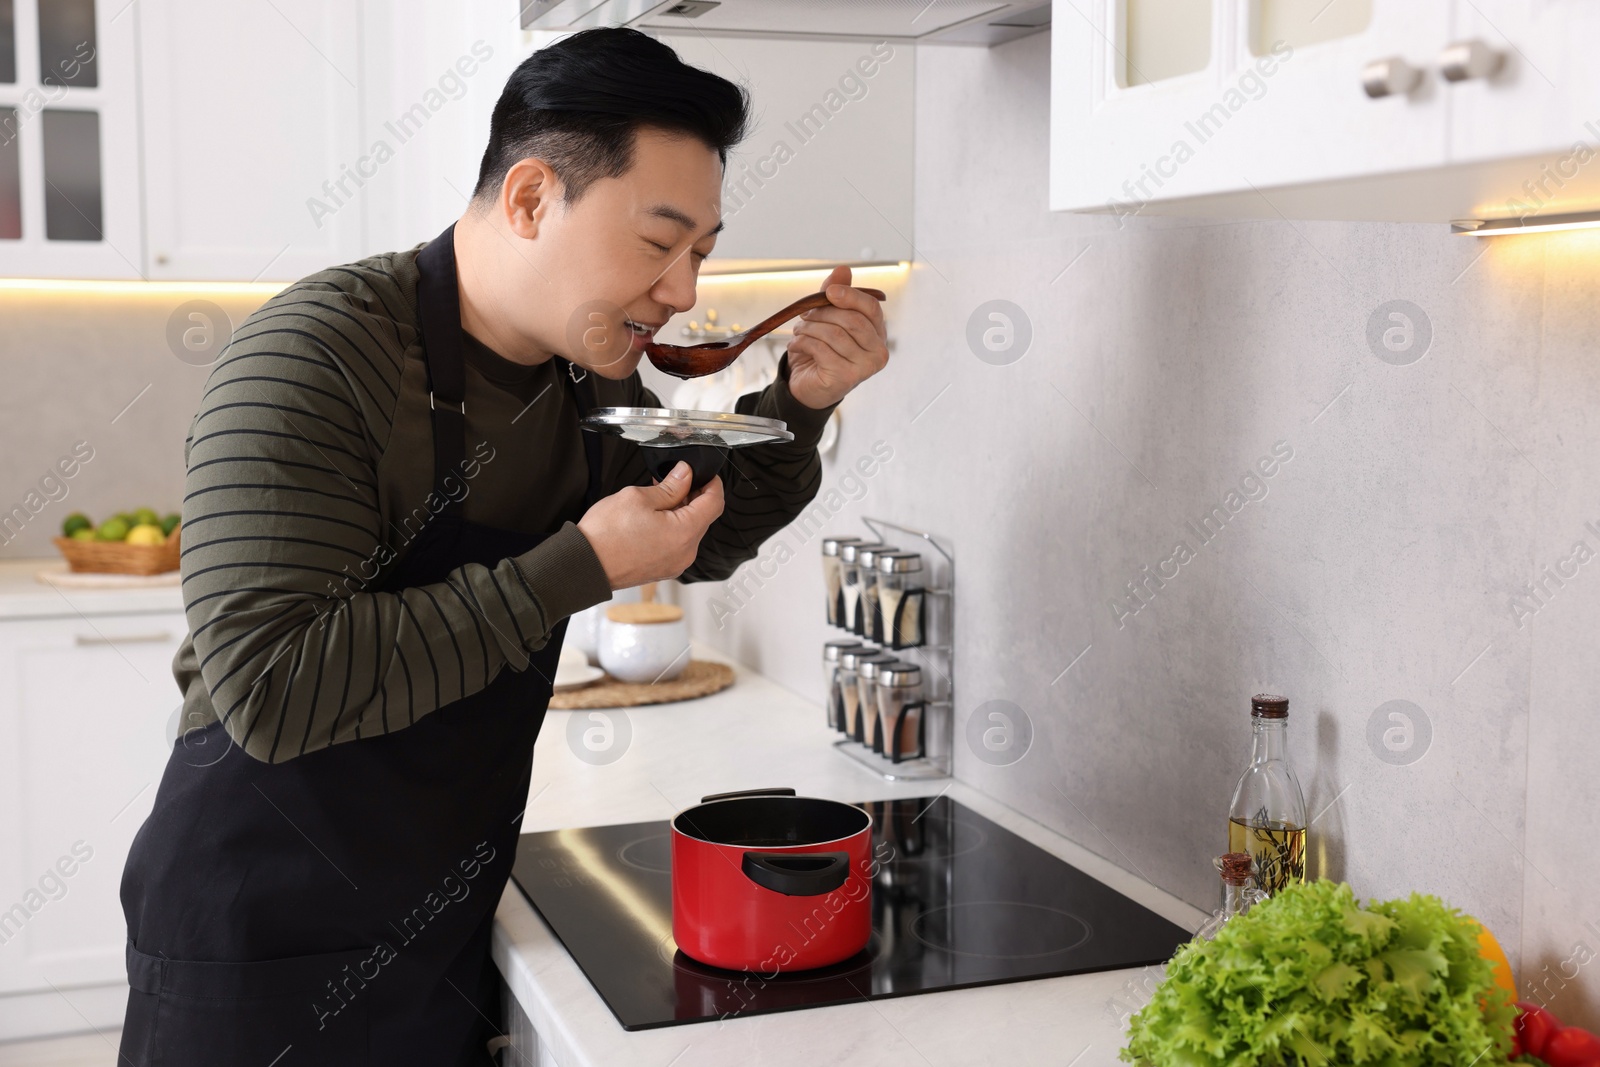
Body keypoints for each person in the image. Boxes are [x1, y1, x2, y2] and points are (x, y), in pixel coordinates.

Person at [117, 27, 890, 1067]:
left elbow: (690, 531)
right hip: (260, 932)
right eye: (658, 241)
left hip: (440, 905)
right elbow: (272, 685)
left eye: (700, 249)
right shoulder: (317, 352)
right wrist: (575, 565)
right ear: (529, 199)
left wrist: (799, 402)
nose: (679, 290)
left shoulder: (586, 376)